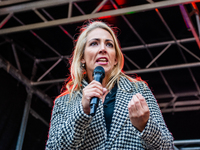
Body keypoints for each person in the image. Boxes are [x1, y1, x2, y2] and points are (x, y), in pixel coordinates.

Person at [45, 21, 174, 149]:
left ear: (116, 59)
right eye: (94, 43)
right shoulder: (64, 102)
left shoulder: (139, 90)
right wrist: (82, 113)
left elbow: (168, 146)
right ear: (82, 57)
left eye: (109, 44)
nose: (103, 49)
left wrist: (145, 125)